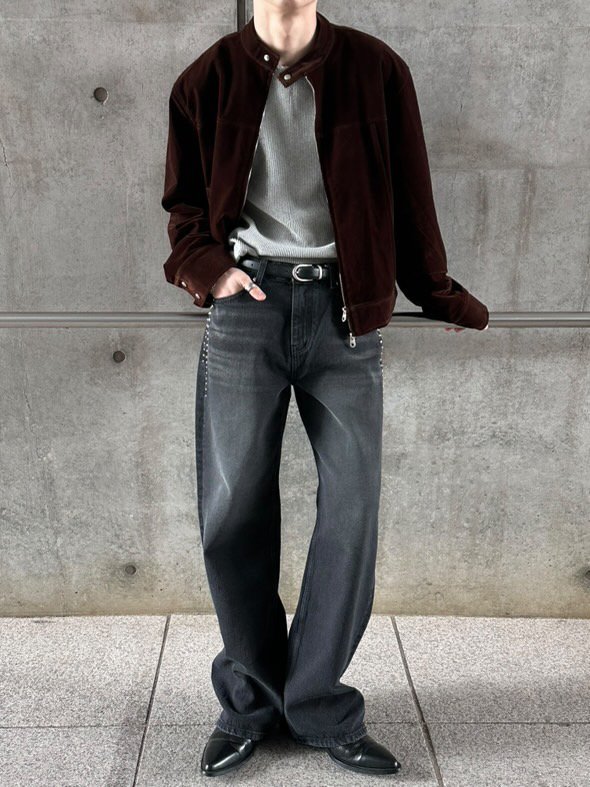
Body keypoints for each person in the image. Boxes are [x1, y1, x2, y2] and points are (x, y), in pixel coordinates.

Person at [161, 0, 489, 777]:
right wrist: (211, 271)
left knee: (352, 507)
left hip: (346, 315)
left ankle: (316, 703)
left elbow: (411, 195)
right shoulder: (207, 78)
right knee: (232, 508)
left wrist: (437, 293)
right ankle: (249, 701)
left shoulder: (376, 70)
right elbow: (183, 206)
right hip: (246, 309)